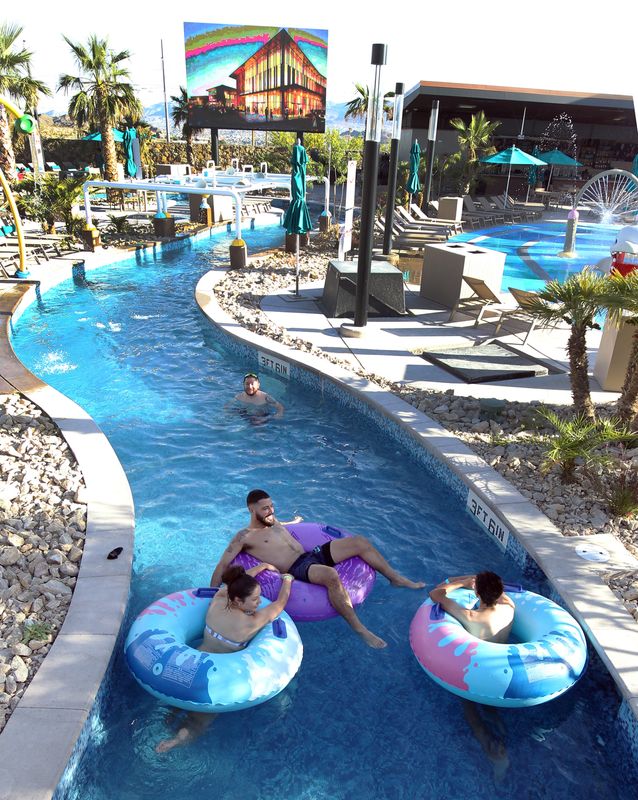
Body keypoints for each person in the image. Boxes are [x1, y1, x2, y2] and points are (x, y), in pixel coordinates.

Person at [210, 489, 425, 650]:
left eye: (272, 506)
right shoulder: (244, 537)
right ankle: (360, 629)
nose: (271, 511)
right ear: (251, 509)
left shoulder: (273, 522)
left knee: (360, 542)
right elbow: (223, 564)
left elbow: (283, 526)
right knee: (331, 575)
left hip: (311, 554)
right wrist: (211, 593)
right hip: (297, 567)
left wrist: (295, 521)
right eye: (265, 508)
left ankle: (395, 578)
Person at [155, 563, 294, 753]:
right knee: (198, 721)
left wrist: (261, 567)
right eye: (254, 599)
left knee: (177, 704)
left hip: (192, 664)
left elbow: (235, 584)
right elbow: (280, 603)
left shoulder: (219, 599)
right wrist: (288, 580)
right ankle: (176, 741)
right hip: (214, 679)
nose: (259, 602)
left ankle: (167, 721)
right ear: (238, 600)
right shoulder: (251, 622)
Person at [429, 572, 515, 782]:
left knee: (470, 711)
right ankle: (498, 724)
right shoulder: (509, 607)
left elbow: (436, 593)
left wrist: (459, 582)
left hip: (477, 672)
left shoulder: (471, 617)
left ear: (477, 593)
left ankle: (494, 753)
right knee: (489, 705)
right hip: (502, 671)